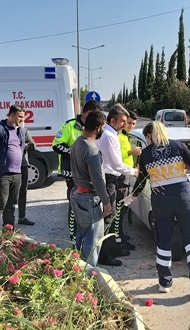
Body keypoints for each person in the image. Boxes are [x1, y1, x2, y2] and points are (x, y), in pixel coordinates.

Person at [127, 121, 190, 298]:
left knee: (163, 242)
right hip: (184, 198)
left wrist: (133, 196)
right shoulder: (177, 146)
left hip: (161, 202)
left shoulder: (145, 154)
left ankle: (164, 283)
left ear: (149, 136)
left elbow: (141, 181)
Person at [52, 100, 103, 242]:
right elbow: (56, 145)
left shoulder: (94, 129)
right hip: (72, 173)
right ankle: (74, 238)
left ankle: (83, 237)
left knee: (86, 210)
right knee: (74, 206)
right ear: (86, 113)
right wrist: (75, 153)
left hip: (88, 175)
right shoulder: (70, 125)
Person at [95, 104, 139, 266]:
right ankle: (105, 255)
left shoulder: (108, 133)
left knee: (109, 217)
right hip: (109, 180)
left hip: (109, 178)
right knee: (108, 217)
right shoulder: (110, 136)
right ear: (112, 120)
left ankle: (109, 250)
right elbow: (115, 164)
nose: (124, 125)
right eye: (122, 121)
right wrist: (134, 171)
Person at [69, 110, 112, 267]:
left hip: (77, 195)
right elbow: (98, 180)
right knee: (92, 242)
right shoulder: (92, 150)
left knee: (81, 237)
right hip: (88, 199)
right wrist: (106, 202)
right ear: (99, 128)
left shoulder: (77, 143)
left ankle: (77, 271)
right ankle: (89, 278)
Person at [115, 109, 141, 249]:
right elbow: (116, 157)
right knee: (119, 208)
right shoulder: (118, 136)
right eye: (129, 123)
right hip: (119, 176)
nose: (131, 126)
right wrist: (131, 151)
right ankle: (117, 239)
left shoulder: (126, 136)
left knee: (123, 208)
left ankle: (120, 234)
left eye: (133, 124)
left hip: (127, 174)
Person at [16, 125, 36, 226]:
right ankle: (8, 220)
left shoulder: (24, 130)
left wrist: (23, 146)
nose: (21, 120)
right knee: (10, 193)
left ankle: (22, 217)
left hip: (23, 164)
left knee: (23, 191)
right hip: (10, 166)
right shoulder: (7, 130)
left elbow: (32, 145)